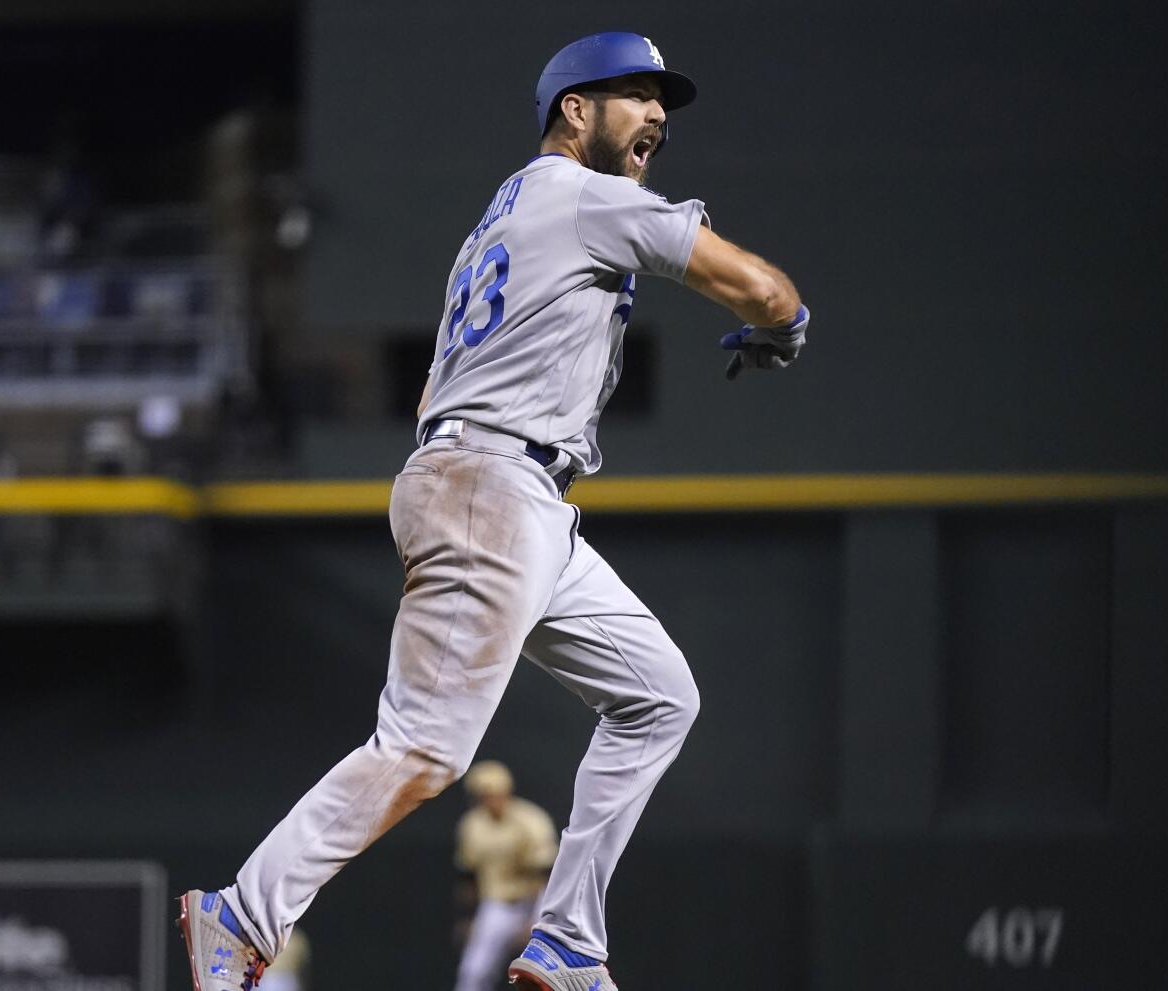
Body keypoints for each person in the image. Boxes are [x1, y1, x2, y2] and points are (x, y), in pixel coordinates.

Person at [177, 31, 808, 991]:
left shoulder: (509, 211)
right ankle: (244, 913)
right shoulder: (582, 196)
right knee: (426, 745)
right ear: (574, 109)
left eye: (661, 101)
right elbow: (760, 287)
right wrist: (786, 321)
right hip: (489, 486)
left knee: (657, 698)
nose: (657, 116)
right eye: (634, 94)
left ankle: (567, 941)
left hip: (520, 496)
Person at [452, 761, 558, 991]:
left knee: (544, 972)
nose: (491, 799)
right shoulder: (472, 825)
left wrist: (537, 919)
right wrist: (469, 917)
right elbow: (468, 876)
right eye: (485, 794)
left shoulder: (530, 820)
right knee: (474, 972)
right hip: (496, 906)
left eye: (496, 793)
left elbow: (546, 875)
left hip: (536, 903)